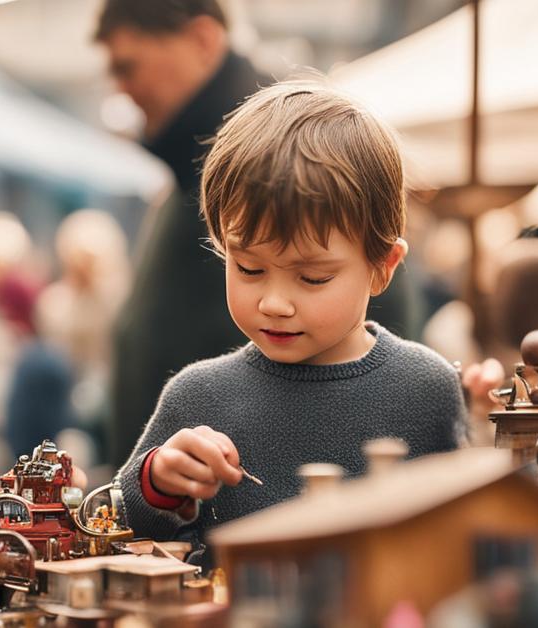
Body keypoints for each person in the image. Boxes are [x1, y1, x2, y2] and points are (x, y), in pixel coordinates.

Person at [115, 82, 465, 563]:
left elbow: (467, 534)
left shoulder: (426, 390)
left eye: (313, 277)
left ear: (383, 267)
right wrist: (157, 483)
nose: (275, 302)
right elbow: (123, 524)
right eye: (249, 269)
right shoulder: (198, 397)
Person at [95, 0, 421, 468]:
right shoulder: (219, 167)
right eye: (247, 267)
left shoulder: (294, 159)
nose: (120, 88)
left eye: (129, 66)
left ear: (203, 40)